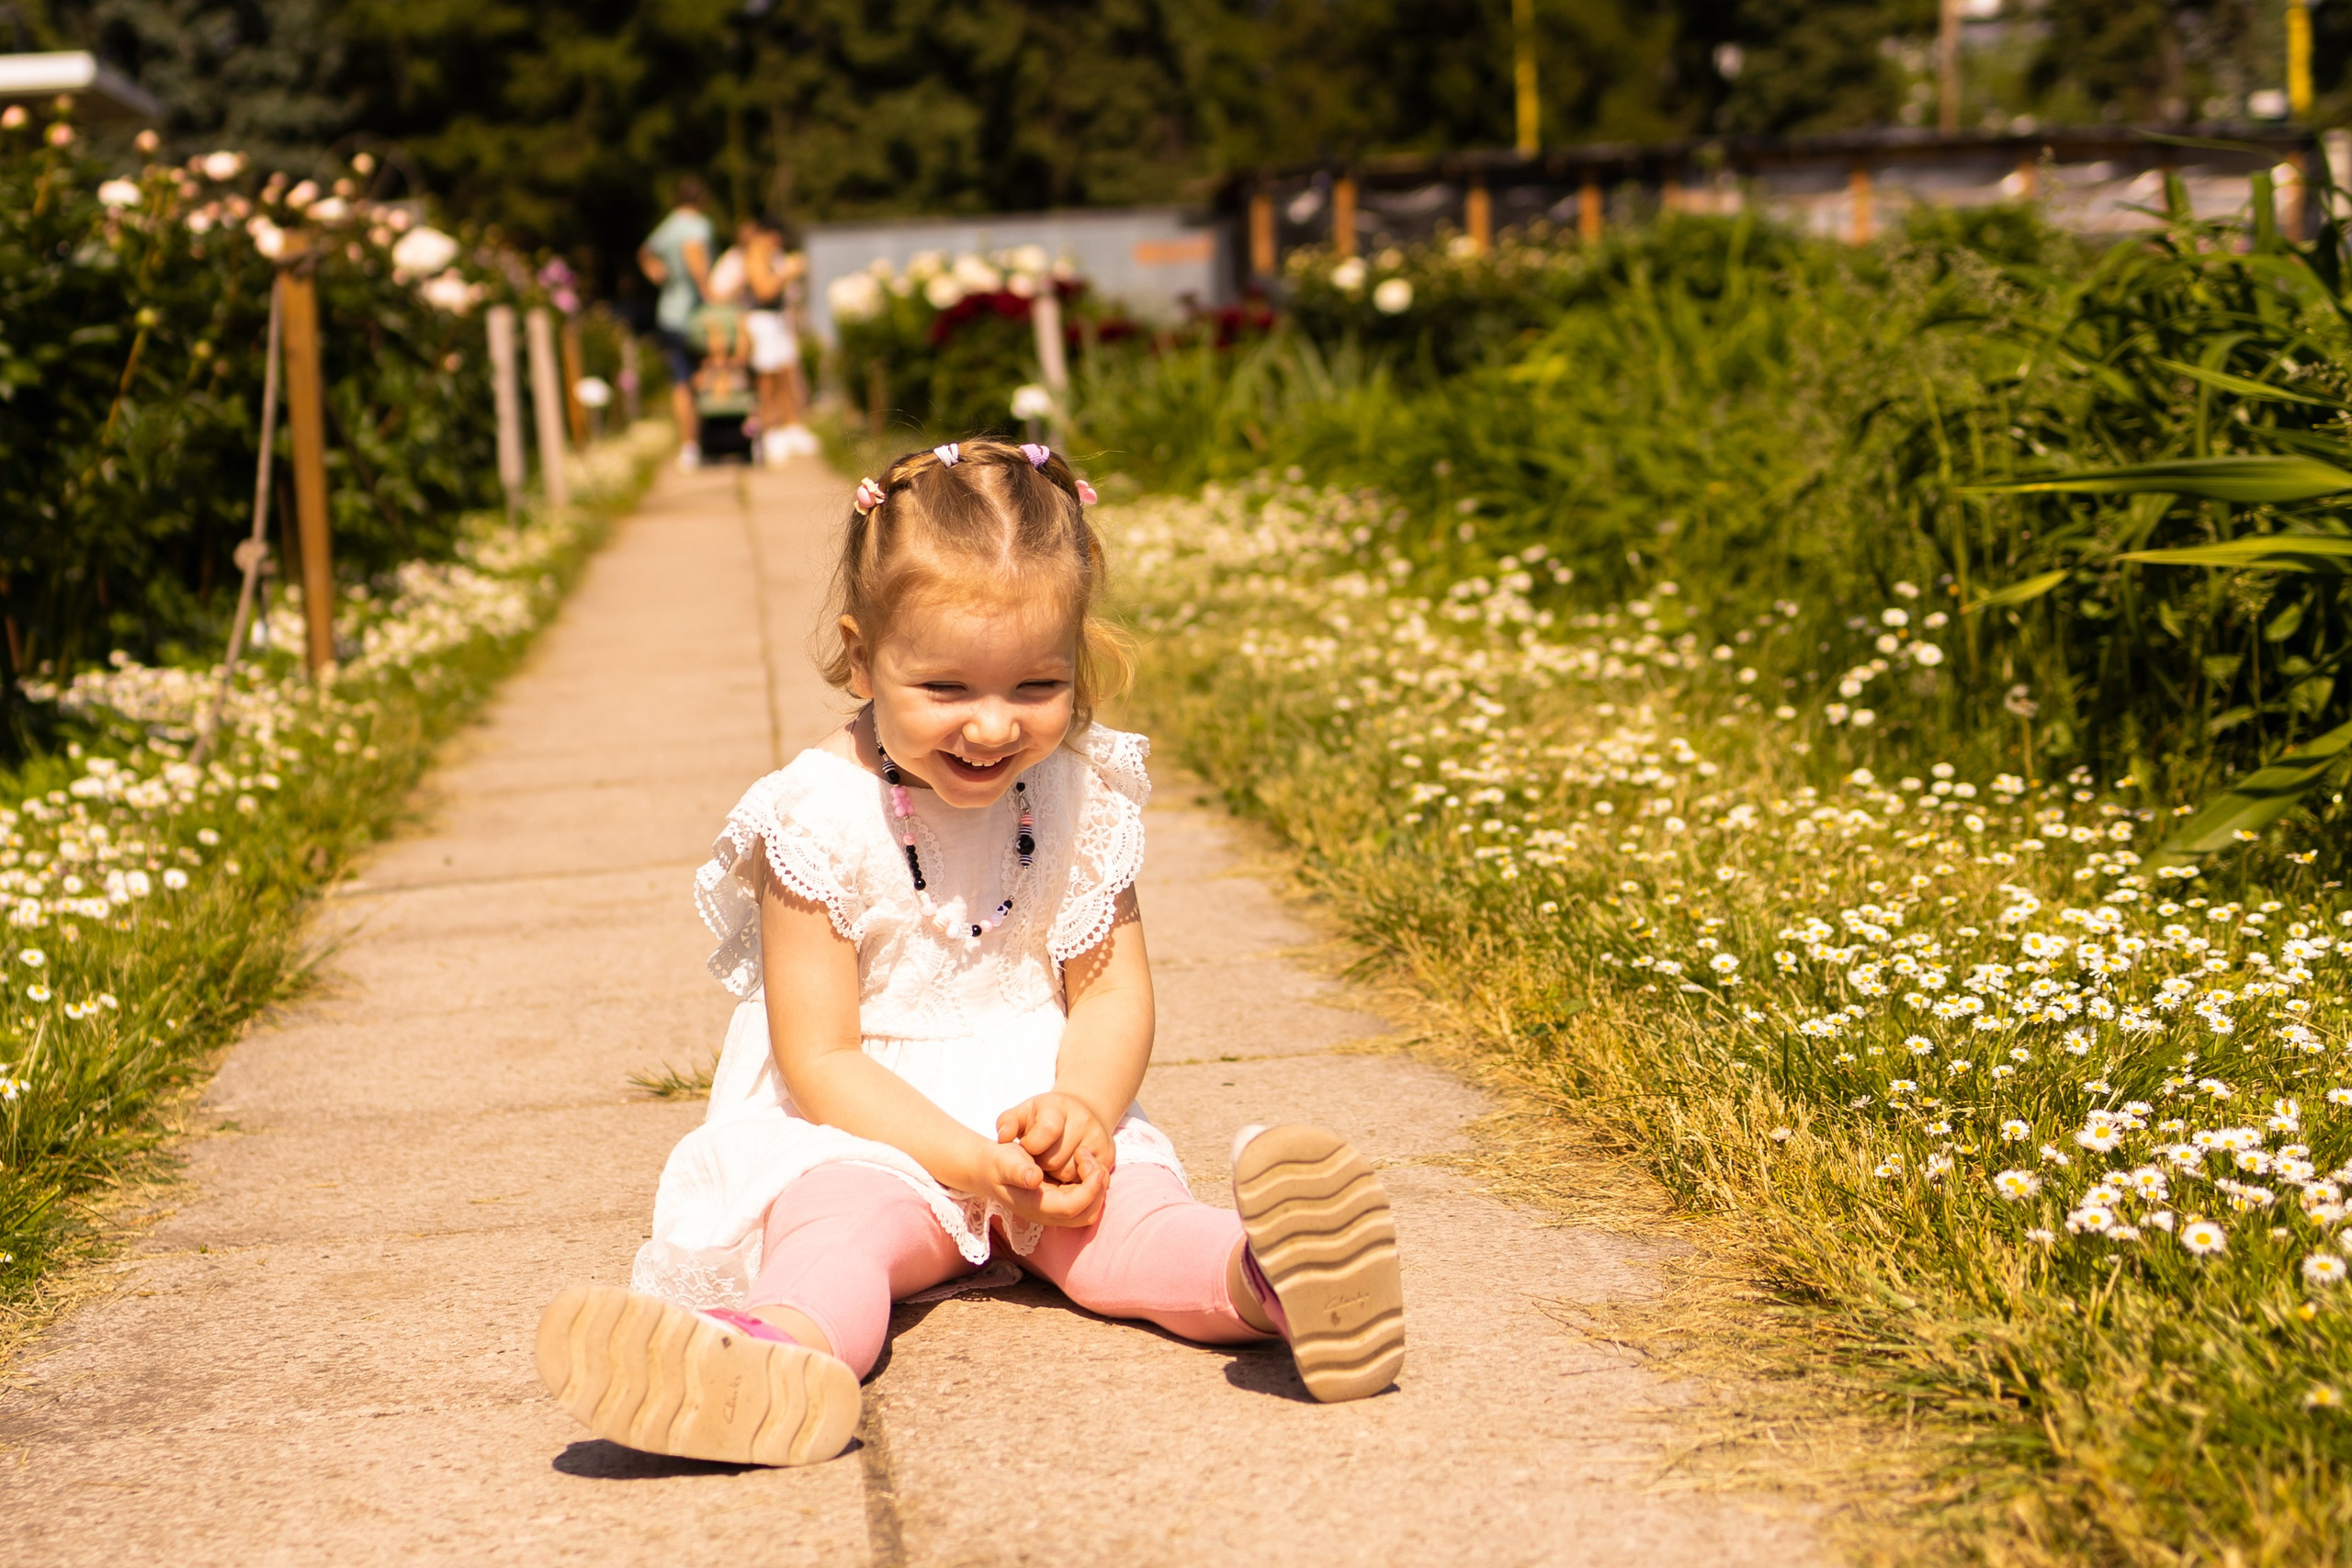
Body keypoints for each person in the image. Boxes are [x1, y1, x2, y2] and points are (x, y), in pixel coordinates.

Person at [535, 438, 1408, 1466]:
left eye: (1037, 685)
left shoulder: (1080, 794)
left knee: (1132, 1228)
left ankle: (1270, 1281)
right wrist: (965, 1167)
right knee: (835, 1232)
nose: (993, 726)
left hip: (1039, 1120)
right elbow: (820, 1061)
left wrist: (1080, 1109)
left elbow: (1113, 997)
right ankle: (772, 1358)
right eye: (945, 687)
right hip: (872, 1129)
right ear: (861, 657)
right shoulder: (814, 817)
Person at [638, 176, 716, 472]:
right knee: (707, 370)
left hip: (668, 311)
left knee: (680, 380)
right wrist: (707, 291)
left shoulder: (668, 225)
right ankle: (711, 439)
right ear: (701, 200)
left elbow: (645, 252)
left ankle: (689, 446)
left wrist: (657, 273)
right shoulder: (697, 225)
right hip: (694, 315)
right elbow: (693, 253)